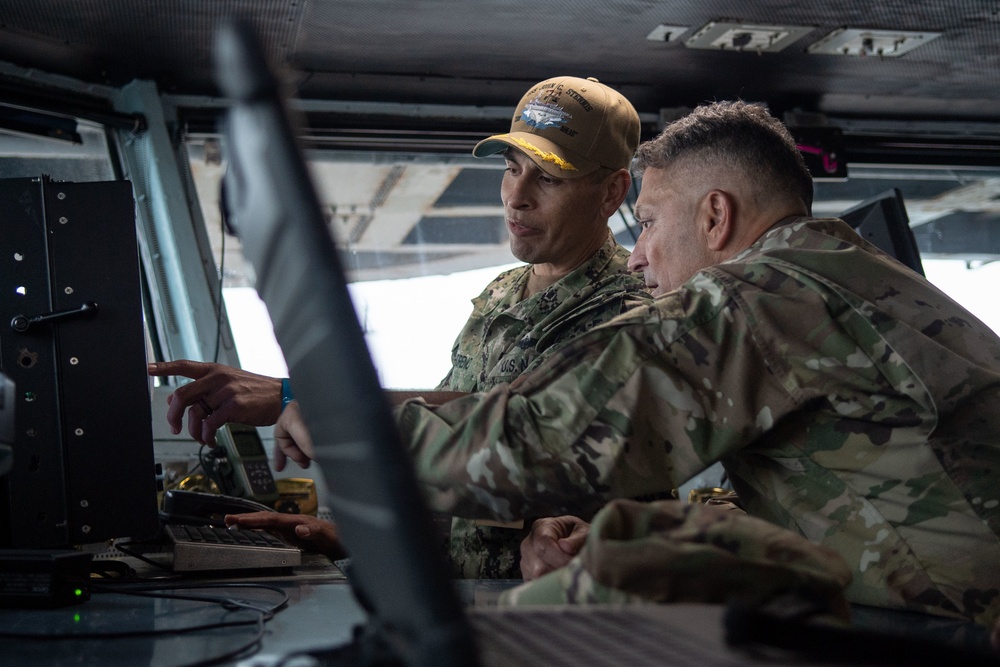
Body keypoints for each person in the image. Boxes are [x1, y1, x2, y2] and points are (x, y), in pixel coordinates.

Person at [273, 100, 1000, 630]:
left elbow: (540, 438)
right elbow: (839, 497)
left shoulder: (764, 295)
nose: (637, 254)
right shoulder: (846, 269)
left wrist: (341, 425)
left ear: (715, 218)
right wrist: (644, 538)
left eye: (650, 222)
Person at [149, 75, 653, 579]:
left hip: (565, 607)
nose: (516, 197)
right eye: (511, 168)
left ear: (612, 191)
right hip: (464, 599)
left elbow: (515, 436)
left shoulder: (632, 306)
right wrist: (344, 537)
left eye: (548, 177)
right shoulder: (503, 291)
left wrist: (300, 397)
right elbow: (450, 446)